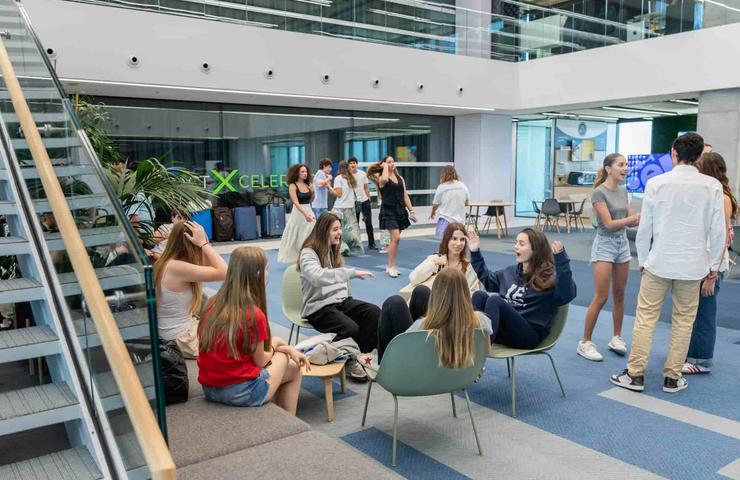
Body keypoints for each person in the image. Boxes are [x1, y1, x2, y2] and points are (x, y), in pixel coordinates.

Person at [610, 133, 725, 394]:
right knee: (684, 321)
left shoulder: (656, 183)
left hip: (658, 262)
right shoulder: (712, 186)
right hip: (693, 266)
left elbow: (645, 228)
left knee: (646, 318)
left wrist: (642, 258)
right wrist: (714, 270)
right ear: (699, 157)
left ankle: (635, 375)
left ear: (674, 154)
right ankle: (672, 378)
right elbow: (718, 232)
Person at [198, 246, 309, 414]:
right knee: (286, 360)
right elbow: (261, 361)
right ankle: (290, 421)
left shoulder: (213, 302)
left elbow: (244, 351)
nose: (267, 273)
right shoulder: (253, 314)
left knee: (292, 368)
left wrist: (285, 348)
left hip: (210, 388)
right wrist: (279, 343)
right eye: (265, 269)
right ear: (257, 274)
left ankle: (286, 421)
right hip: (240, 392)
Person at [298, 213, 379, 381]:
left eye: (340, 228)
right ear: (323, 231)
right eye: (335, 229)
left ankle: (360, 356)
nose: (339, 232)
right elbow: (318, 277)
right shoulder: (308, 253)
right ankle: (348, 359)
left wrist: (350, 300)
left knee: (373, 313)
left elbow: (340, 282)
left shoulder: (333, 250)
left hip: (340, 302)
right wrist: (352, 273)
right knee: (350, 329)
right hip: (319, 308)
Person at [468, 228, 576, 349]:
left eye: (521, 244)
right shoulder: (510, 272)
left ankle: (480, 348)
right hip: (504, 330)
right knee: (479, 296)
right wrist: (475, 251)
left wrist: (562, 263)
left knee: (494, 301)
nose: (516, 247)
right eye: (516, 242)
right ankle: (468, 339)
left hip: (528, 335)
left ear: (535, 249)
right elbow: (488, 281)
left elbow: (567, 294)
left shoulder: (548, 277)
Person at [577, 153, 640, 361]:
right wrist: (632, 218)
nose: (625, 169)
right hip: (604, 243)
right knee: (601, 296)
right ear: (608, 168)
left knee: (620, 294)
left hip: (622, 244)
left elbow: (629, 222)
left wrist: (639, 218)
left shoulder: (623, 191)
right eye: (621, 165)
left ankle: (617, 337)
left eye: (626, 165)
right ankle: (585, 342)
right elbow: (609, 224)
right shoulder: (598, 193)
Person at [683, 152, 737, 374]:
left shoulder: (722, 197)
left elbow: (721, 237)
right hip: (703, 261)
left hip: (712, 264)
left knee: (705, 312)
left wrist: (712, 273)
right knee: (696, 311)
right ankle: (692, 354)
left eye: (699, 165)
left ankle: (701, 359)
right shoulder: (712, 193)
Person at [377, 268, 492, 362]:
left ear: (436, 292)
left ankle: (381, 362)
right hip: (463, 376)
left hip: (418, 374)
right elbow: (487, 352)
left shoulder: (422, 326)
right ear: (466, 292)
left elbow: (402, 345)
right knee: (421, 291)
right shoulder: (483, 321)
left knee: (394, 303)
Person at [154, 221, 228, 358]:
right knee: (235, 339)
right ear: (192, 244)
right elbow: (225, 272)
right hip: (181, 339)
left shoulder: (167, 262)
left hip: (176, 332)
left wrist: (202, 243)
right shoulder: (177, 267)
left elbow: (211, 264)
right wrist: (204, 244)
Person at [400, 222, 482, 301]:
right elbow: (414, 278)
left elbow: (473, 294)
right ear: (447, 240)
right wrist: (434, 264)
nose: (458, 243)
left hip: (455, 308)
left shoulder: (468, 266)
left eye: (462, 240)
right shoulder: (435, 259)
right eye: (454, 239)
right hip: (431, 305)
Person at [368, 155, 416, 278]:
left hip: (399, 210)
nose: (392, 163)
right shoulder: (382, 178)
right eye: (389, 162)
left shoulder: (400, 178)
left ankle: (392, 265)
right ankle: (390, 266)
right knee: (396, 238)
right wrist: (384, 167)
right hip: (388, 210)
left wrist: (411, 211)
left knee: (395, 240)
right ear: (384, 164)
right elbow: (383, 180)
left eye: (393, 161)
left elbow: (405, 195)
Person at [277, 164, 315, 264]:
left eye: (306, 171)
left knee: (311, 232)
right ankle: (298, 256)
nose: (305, 174)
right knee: (297, 234)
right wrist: (305, 214)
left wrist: (313, 191)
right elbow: (296, 202)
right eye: (302, 172)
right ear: (297, 173)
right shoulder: (292, 185)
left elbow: (312, 199)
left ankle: (307, 255)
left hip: (308, 209)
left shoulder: (308, 184)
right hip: (298, 212)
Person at [331, 161, 364, 255]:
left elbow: (338, 194)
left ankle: (343, 248)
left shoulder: (338, 179)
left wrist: (329, 188)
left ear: (340, 169)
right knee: (351, 230)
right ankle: (352, 248)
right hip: (350, 208)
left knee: (339, 230)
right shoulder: (351, 178)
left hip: (340, 208)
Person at [430, 166, 470, 237]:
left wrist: (432, 213)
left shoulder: (442, 186)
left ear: (443, 174)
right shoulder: (462, 185)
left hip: (446, 219)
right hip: (460, 220)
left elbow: (436, 203)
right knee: (457, 241)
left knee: (441, 240)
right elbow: (467, 202)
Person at [348, 157, 376, 250]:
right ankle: (356, 244)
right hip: (354, 202)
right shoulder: (347, 176)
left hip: (364, 201)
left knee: (368, 223)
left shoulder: (362, 174)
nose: (353, 164)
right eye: (351, 163)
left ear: (357, 164)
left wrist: (368, 198)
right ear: (348, 165)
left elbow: (366, 187)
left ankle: (371, 244)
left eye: (354, 163)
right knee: (355, 224)